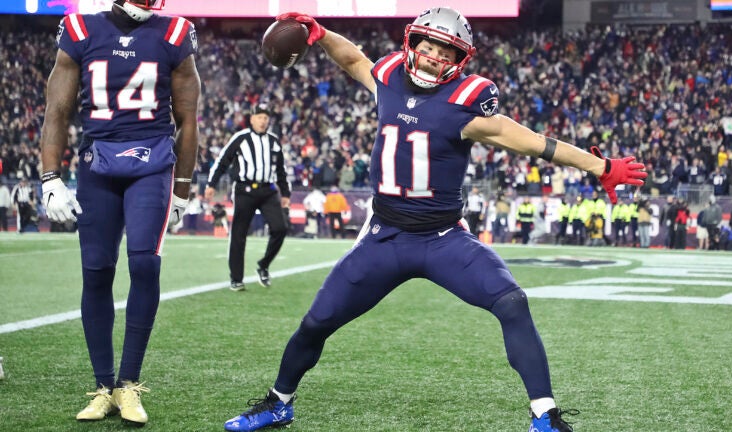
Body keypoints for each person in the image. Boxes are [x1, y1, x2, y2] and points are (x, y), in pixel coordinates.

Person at [222, 8, 646, 432]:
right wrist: (320, 32)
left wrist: (600, 166)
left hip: (443, 239)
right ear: (412, 45)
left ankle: (545, 416)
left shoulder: (467, 102)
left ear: (460, 59)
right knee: (317, 321)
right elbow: (353, 60)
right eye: (426, 47)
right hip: (384, 237)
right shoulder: (387, 75)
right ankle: (279, 403)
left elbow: (536, 144)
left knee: (513, 303)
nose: (432, 58)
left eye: (445, 52)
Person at [39, 0, 200, 425]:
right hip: (98, 165)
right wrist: (50, 176)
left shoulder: (174, 33)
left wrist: (181, 189)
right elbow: (57, 109)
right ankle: (103, 385)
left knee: (145, 265)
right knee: (95, 270)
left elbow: (188, 119)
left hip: (152, 164)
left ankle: (129, 385)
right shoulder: (80, 29)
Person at [205, 104, 291, 290]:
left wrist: (285, 193)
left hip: (268, 190)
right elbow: (222, 161)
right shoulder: (241, 138)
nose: (263, 121)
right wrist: (212, 184)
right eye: (259, 117)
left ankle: (263, 265)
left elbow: (281, 170)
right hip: (245, 190)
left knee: (280, 228)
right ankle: (236, 278)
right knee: (239, 234)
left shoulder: (274, 141)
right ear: (251, 119)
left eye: (266, 118)